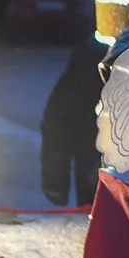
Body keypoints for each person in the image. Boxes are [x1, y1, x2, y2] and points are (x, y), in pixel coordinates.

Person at [40, 35, 109, 207]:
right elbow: (59, 122)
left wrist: (55, 183)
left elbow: (59, 123)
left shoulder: (93, 56)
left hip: (97, 174)